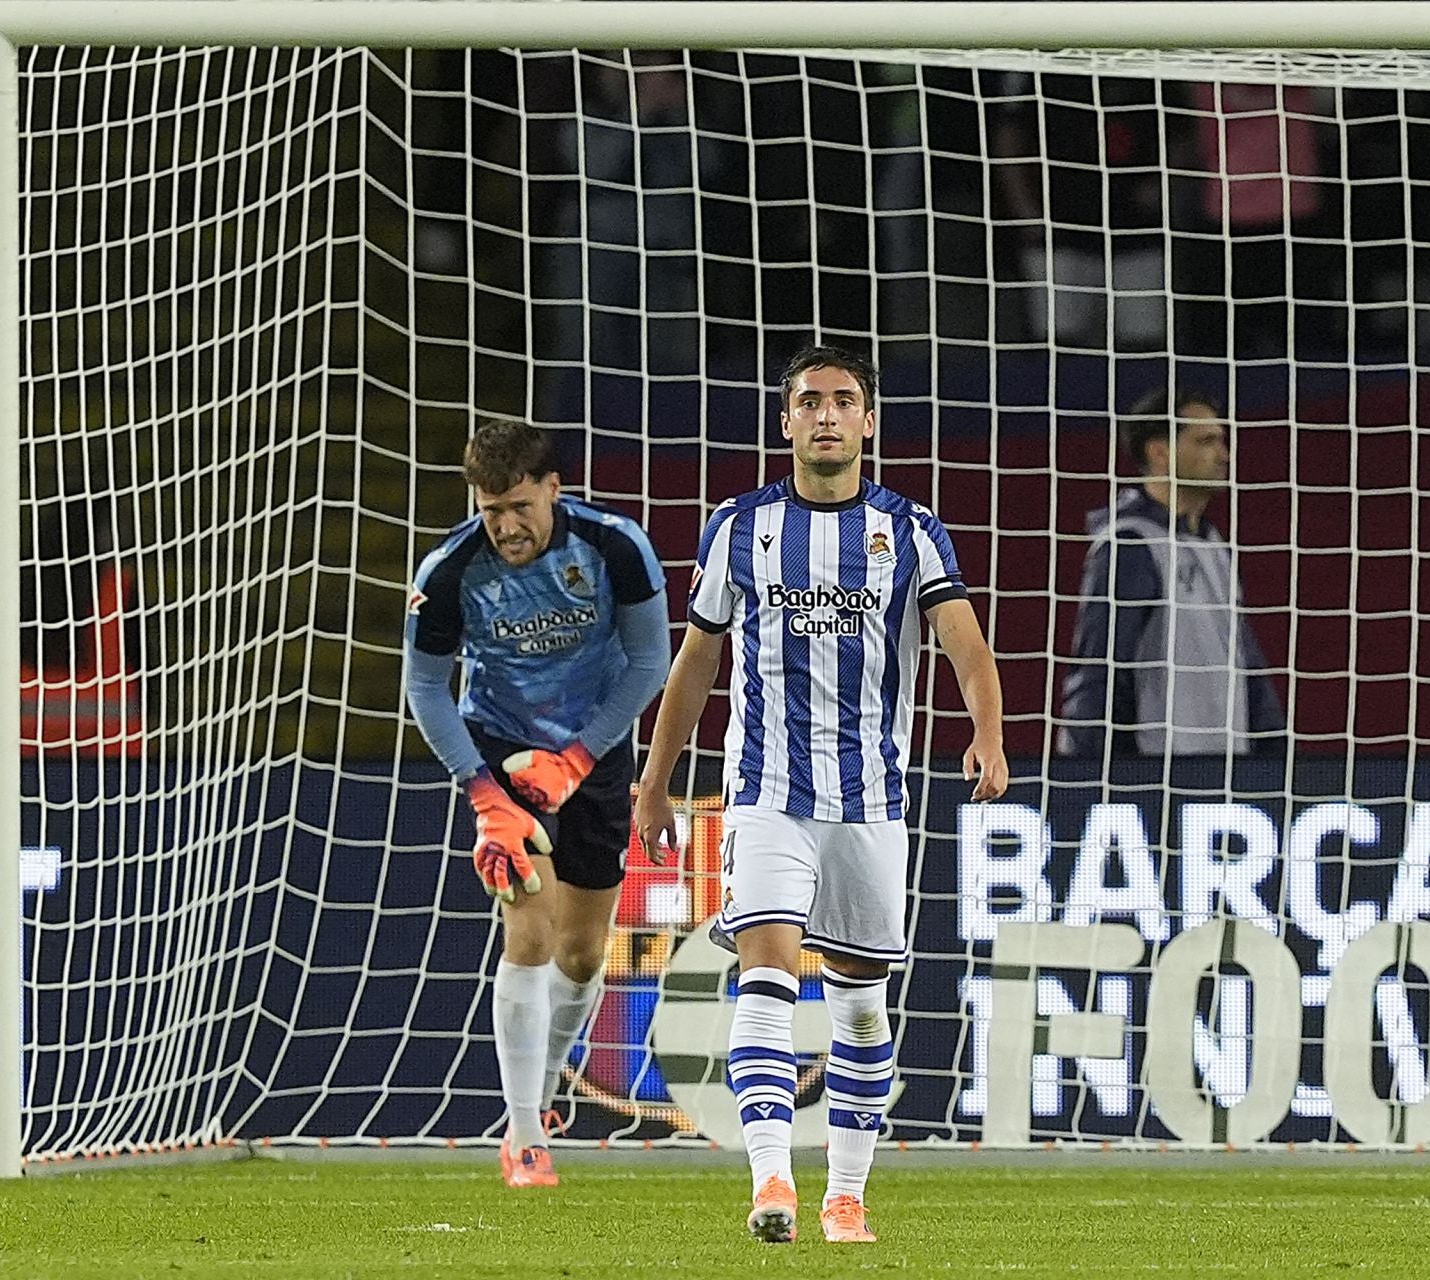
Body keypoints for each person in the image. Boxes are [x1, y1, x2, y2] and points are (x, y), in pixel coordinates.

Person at [634, 344, 1008, 1245]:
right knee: (763, 971)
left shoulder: (911, 532)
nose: (829, 415)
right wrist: (654, 783)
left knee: (861, 1001)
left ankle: (846, 1194)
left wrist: (988, 736)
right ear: (786, 420)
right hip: (764, 791)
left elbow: (963, 643)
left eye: (845, 401)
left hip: (873, 801)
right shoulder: (738, 526)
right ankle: (773, 1185)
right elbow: (697, 661)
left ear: (870, 421)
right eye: (811, 402)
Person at [404, 419, 671, 1188]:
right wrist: (484, 792)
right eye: (491, 510)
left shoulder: (615, 545)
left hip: (594, 744)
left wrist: (581, 758)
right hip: (502, 750)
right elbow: (425, 687)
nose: (506, 526)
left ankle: (544, 1088)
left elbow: (651, 659)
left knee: (584, 953)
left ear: (554, 489)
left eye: (520, 506)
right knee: (528, 934)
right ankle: (525, 1138)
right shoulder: (451, 570)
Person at [1055, 387, 1286, 759]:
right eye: (1206, 441)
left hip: (1228, 768)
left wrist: (1277, 754)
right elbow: (1099, 669)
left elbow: (1245, 664)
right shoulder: (1131, 544)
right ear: (1159, 452)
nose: (1223, 455)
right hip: (1161, 775)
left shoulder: (1212, 545)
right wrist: (1083, 774)